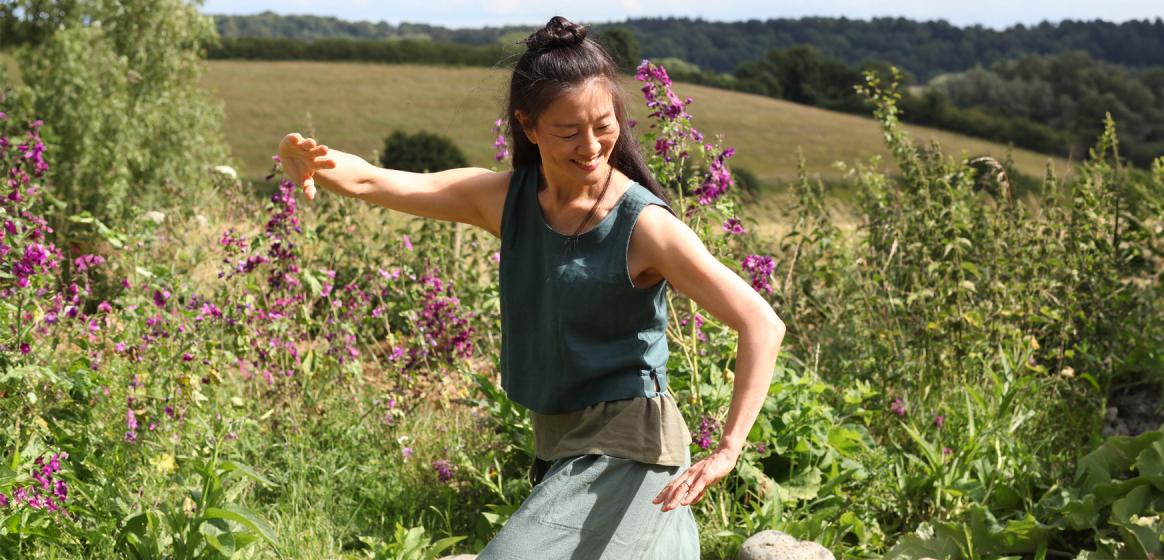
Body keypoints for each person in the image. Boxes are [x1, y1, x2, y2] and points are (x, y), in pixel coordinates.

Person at [277, 15, 785, 559]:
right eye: (568, 131)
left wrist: (728, 449)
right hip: (561, 442)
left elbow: (761, 322)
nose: (591, 146)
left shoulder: (645, 227)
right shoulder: (505, 199)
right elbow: (378, 180)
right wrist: (313, 164)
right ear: (529, 125)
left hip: (630, 445)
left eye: (604, 125)